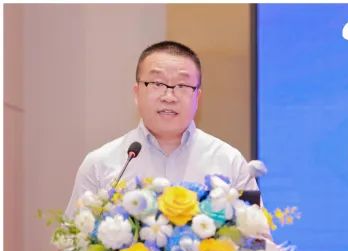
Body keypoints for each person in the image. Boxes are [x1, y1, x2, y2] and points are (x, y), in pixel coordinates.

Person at [65, 41, 257, 216]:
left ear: (197, 98)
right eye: (157, 83)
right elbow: (71, 239)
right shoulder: (100, 165)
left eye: (182, 85)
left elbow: (257, 237)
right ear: (137, 93)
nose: (169, 97)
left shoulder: (229, 162)